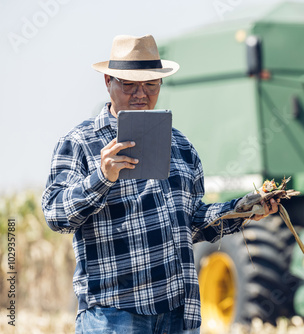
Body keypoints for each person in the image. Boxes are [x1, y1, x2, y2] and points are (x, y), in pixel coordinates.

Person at [41, 34, 278, 334]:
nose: (141, 94)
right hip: (114, 316)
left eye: (151, 84)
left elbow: (192, 223)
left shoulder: (181, 146)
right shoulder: (80, 143)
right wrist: (101, 178)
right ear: (108, 81)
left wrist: (243, 210)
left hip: (177, 314)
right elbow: (56, 216)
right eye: (130, 84)